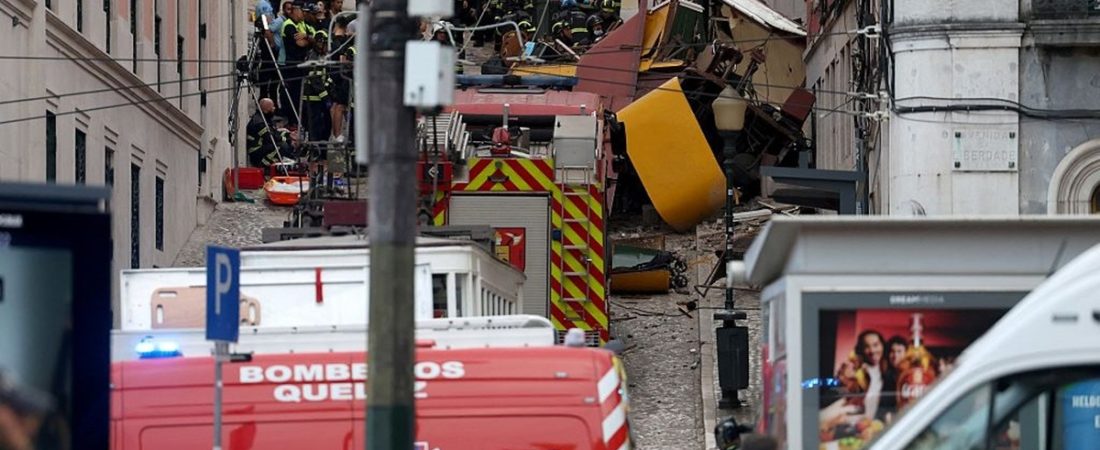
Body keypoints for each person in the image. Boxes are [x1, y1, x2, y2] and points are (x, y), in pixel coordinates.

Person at [279, 1, 313, 125]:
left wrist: (307, 38)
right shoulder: (289, 25)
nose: (303, 14)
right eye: (301, 11)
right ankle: (292, 121)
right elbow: (300, 43)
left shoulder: (302, 24)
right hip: (291, 65)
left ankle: (298, 120)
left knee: (300, 94)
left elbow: (313, 36)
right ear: (295, 10)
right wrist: (309, 40)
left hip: (300, 64)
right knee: (293, 94)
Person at [302, 30, 333, 146]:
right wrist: (326, 98)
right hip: (313, 99)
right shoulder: (313, 57)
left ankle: (322, 150)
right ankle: (315, 152)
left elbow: (326, 76)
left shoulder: (322, 56)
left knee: (326, 126)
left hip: (320, 98)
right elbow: (315, 80)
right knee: (315, 128)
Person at [246, 98, 287, 168]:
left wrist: (287, 134)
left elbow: (273, 132)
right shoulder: (260, 122)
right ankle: (264, 165)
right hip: (256, 152)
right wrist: (285, 139)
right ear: (266, 110)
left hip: (261, 147)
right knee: (280, 146)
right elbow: (271, 138)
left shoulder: (264, 118)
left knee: (282, 140)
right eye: (272, 107)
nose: (274, 108)